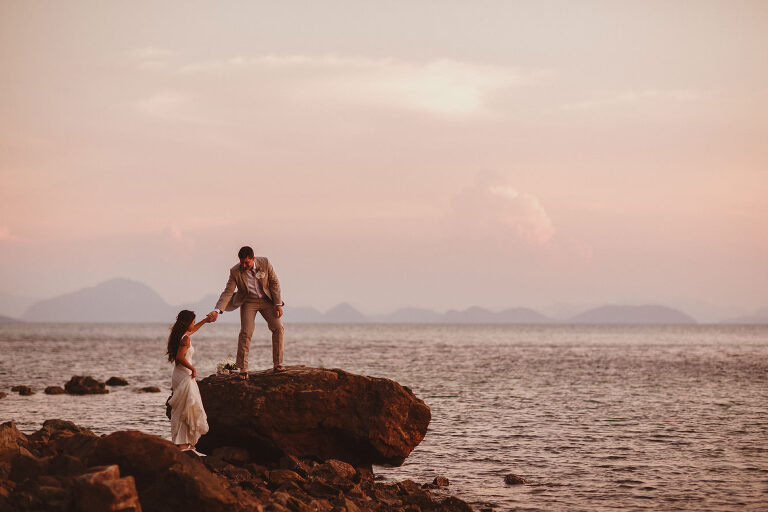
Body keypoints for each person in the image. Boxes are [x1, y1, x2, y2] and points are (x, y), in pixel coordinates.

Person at [208, 246, 285, 378]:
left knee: (278, 328)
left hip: (267, 301)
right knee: (246, 332)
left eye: (246, 263)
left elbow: (274, 283)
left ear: (253, 258)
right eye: (241, 262)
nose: (243, 265)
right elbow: (228, 292)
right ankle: (243, 368)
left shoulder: (265, 262)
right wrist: (217, 310)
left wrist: (277, 304)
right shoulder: (235, 271)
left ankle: (278, 364)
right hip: (248, 302)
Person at [166, 309, 211, 453]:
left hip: (178, 375)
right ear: (187, 323)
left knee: (183, 408)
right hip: (184, 375)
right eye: (193, 321)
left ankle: (182, 441)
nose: (194, 324)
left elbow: (193, 330)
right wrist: (193, 368)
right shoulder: (185, 339)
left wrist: (205, 321)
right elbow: (180, 358)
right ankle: (181, 443)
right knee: (187, 408)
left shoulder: (179, 335)